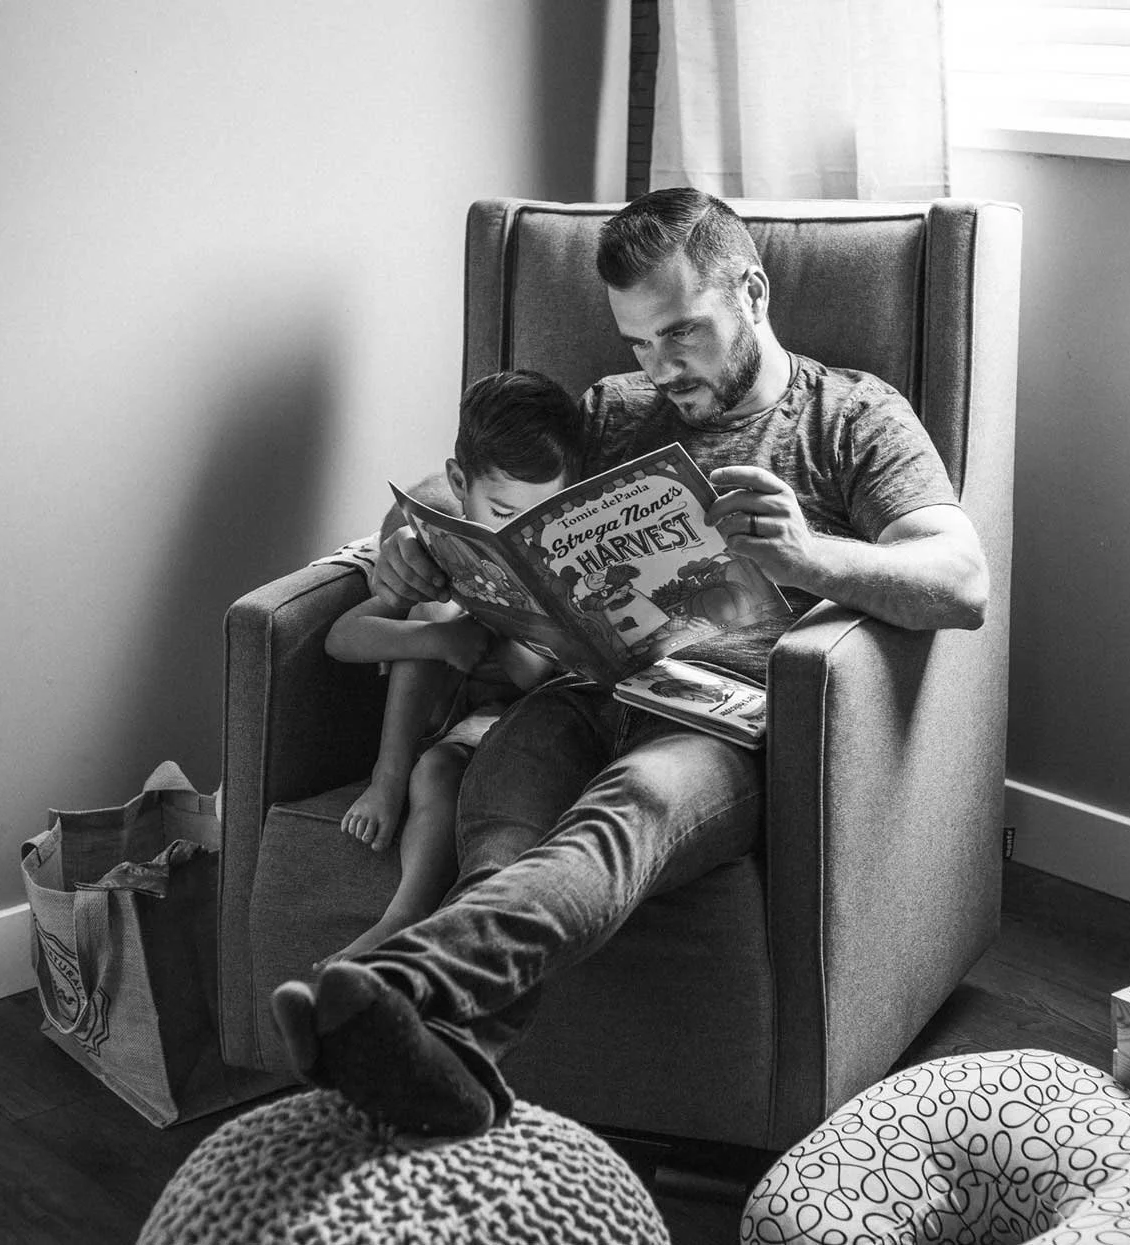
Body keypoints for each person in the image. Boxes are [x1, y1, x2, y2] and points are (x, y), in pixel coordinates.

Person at [271, 187, 990, 1139]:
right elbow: (480, 482)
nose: (660, 366)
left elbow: (963, 578)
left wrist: (812, 558)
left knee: (626, 813)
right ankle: (458, 1066)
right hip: (579, 692)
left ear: (754, 292)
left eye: (682, 333)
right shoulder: (615, 409)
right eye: (637, 342)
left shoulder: (852, 417)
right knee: (501, 821)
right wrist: (408, 535)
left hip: (719, 723)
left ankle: (402, 983)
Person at [316, 369, 582, 964]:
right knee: (431, 625)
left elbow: (544, 680)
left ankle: (425, 921)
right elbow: (342, 637)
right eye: (503, 510)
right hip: (455, 723)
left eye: (541, 517)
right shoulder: (436, 551)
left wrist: (505, 636)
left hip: (529, 719)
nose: (519, 534)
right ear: (460, 482)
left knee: (452, 752)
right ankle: (401, 908)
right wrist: (443, 637)